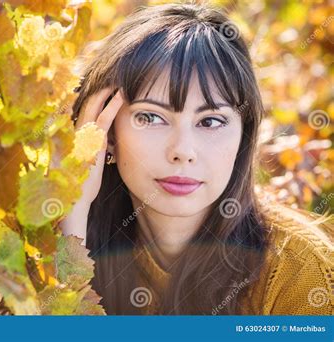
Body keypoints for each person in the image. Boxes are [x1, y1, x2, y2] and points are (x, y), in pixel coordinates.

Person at [60, 2, 334, 315]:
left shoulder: (299, 272)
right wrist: (73, 215)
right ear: (106, 132)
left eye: (211, 121)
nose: (183, 151)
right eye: (151, 117)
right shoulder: (46, 237)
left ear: (244, 135)